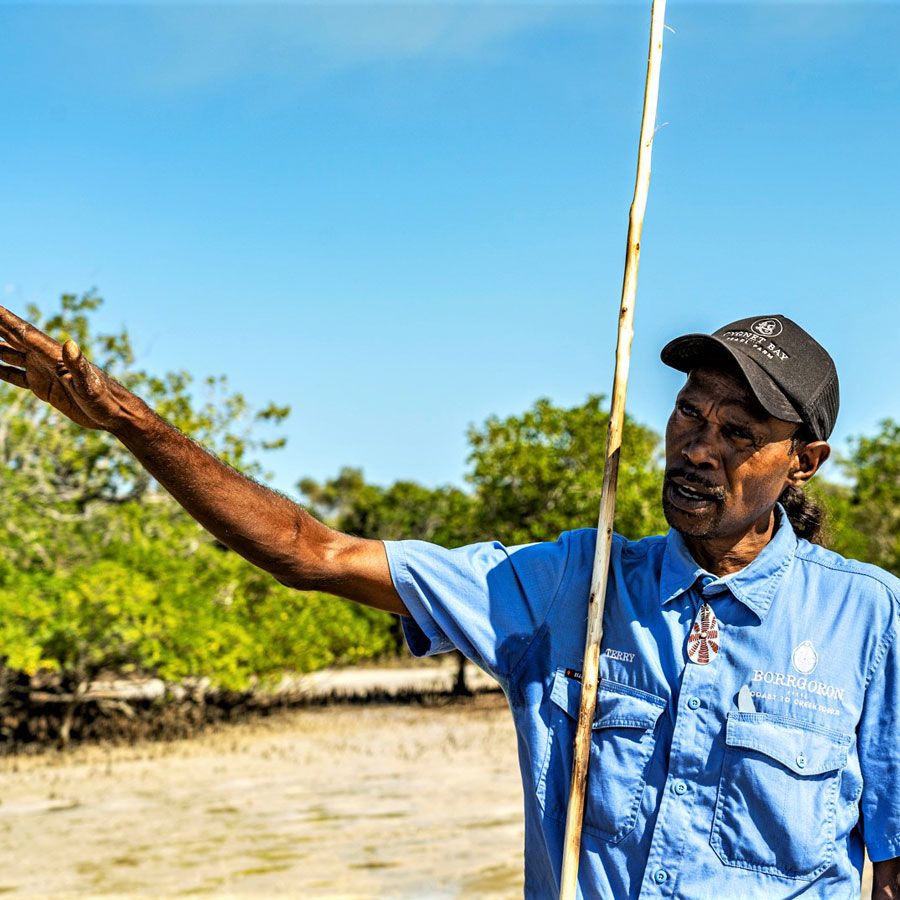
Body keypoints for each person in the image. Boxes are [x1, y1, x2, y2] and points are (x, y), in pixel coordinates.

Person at [0, 306, 896, 899]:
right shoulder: (568, 590)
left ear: (803, 463)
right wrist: (131, 423)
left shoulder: (872, 622)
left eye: (738, 434)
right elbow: (314, 553)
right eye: (688, 418)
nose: (699, 449)